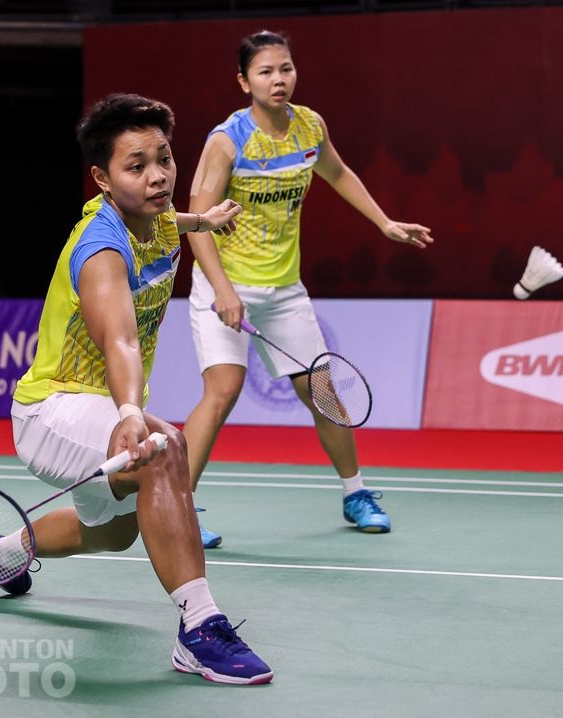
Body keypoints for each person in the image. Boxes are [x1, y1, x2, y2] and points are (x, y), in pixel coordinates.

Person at [0, 93, 273, 686]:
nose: (158, 176)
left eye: (165, 158)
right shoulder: (101, 250)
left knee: (113, 531)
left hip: (98, 410)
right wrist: (132, 409)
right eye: (137, 166)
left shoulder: (153, 216)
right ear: (103, 178)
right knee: (164, 450)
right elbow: (121, 342)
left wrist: (201, 220)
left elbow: (164, 216)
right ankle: (200, 628)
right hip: (52, 409)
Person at [183, 31, 434, 548]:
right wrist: (224, 291)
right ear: (244, 81)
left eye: (286, 69)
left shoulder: (309, 125)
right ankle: (176, 507)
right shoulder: (227, 140)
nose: (279, 80)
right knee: (223, 391)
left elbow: (338, 172)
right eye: (266, 72)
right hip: (224, 283)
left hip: (285, 290)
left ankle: (355, 492)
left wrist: (384, 223)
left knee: (322, 392)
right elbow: (197, 224)